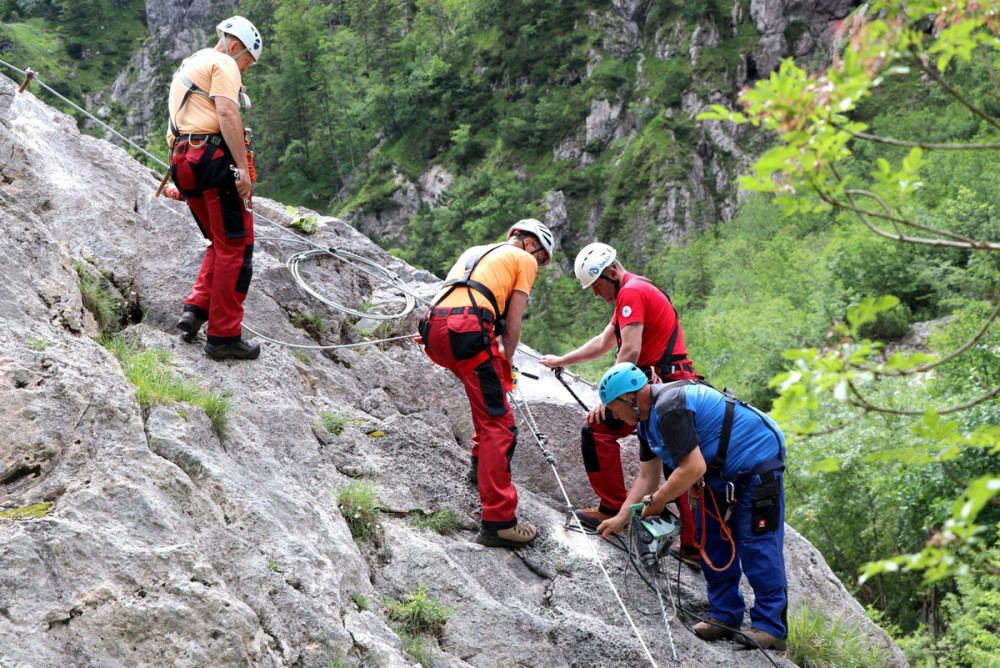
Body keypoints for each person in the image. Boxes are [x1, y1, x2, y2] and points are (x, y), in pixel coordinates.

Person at [595, 362, 788, 650]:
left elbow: (693, 466)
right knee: (711, 541)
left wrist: (659, 501)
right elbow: (647, 476)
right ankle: (724, 616)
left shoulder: (669, 407)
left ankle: (771, 627)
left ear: (632, 397)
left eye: (613, 406)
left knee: (756, 545)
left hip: (756, 466)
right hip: (718, 478)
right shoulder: (646, 424)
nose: (613, 413)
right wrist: (621, 517)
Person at [538, 242, 702, 567]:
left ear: (612, 273)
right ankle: (693, 545)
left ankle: (614, 508)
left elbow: (629, 351)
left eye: (597, 287)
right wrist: (562, 360)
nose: (597, 295)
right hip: (665, 385)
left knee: (598, 429)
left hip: (658, 389)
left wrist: (610, 399)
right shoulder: (635, 290)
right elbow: (603, 343)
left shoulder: (631, 293)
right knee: (675, 458)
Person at [417, 220, 554, 548]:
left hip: (434, 328)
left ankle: (479, 467)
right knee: (501, 425)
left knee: (485, 401)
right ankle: (499, 521)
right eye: (542, 258)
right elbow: (514, 323)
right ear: (532, 244)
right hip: (468, 329)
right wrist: (506, 365)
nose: (540, 264)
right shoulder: (525, 259)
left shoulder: (476, 252)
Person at [167, 16, 263, 360]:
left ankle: (195, 310)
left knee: (219, 242)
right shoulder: (223, 61)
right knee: (237, 247)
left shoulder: (189, 66)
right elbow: (226, 112)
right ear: (236, 46)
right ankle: (224, 336)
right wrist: (241, 169)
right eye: (248, 62)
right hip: (213, 160)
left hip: (182, 158)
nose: (246, 71)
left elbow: (174, 126)